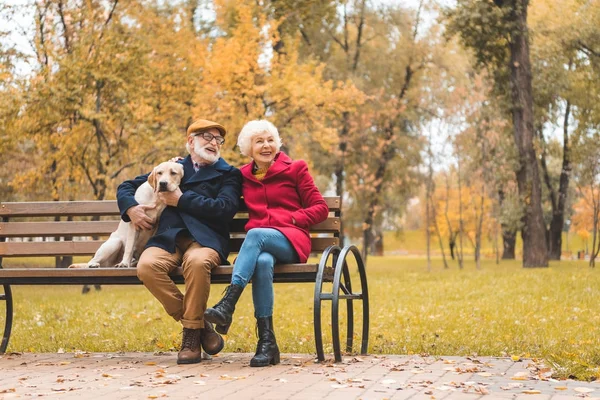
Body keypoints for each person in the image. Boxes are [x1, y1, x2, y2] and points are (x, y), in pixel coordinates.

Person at [204, 120, 329, 367]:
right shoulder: (242, 175)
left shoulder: (296, 168)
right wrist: (181, 166)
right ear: (248, 148)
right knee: (261, 262)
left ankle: (228, 302)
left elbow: (321, 208)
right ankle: (267, 343)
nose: (266, 146)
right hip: (260, 248)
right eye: (259, 141)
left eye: (270, 140)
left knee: (255, 234)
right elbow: (212, 179)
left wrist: (294, 218)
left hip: (290, 241)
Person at [117, 119, 242, 364]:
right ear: (190, 142)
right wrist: (131, 208)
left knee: (196, 263)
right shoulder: (173, 167)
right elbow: (127, 186)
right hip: (168, 238)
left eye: (217, 139)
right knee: (146, 267)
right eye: (206, 136)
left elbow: (225, 208)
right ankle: (201, 326)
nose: (213, 142)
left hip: (206, 239)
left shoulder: (228, 173)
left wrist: (182, 199)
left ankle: (191, 339)